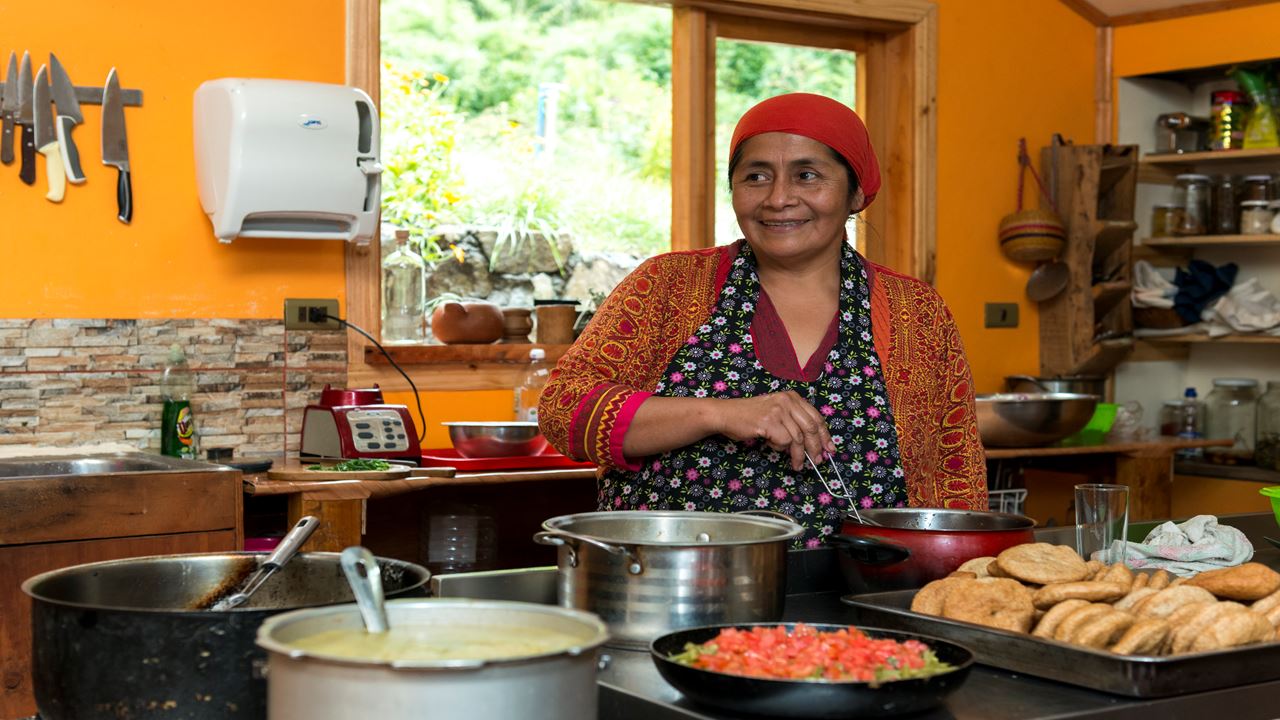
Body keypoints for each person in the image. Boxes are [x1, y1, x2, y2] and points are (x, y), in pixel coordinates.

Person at [538, 93, 986, 547]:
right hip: (667, 586)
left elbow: (954, 473)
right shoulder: (667, 286)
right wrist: (717, 413)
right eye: (756, 176)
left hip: (860, 595)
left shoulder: (916, 312)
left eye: (807, 175)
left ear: (854, 193)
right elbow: (564, 409)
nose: (778, 199)